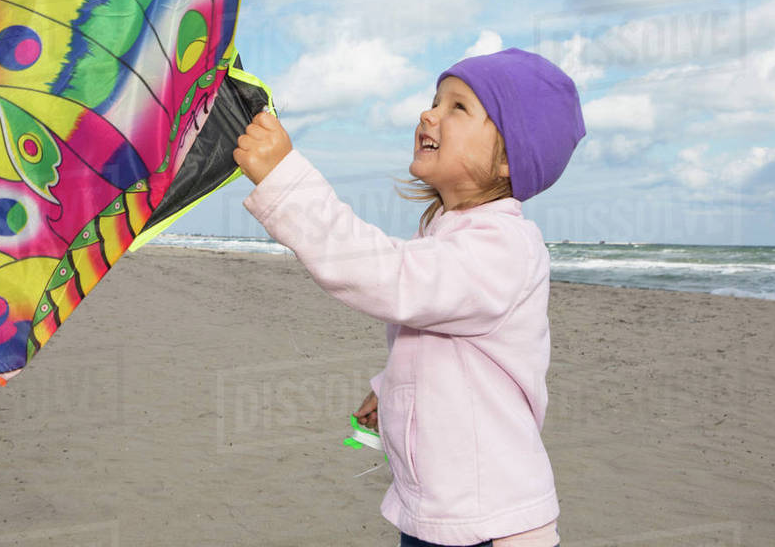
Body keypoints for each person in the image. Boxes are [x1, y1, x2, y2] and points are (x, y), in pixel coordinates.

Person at [233, 47, 585, 547]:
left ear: (509, 157)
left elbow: (391, 278)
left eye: (458, 107)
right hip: (434, 514)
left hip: (496, 526)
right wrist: (391, 386)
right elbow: (441, 342)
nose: (429, 114)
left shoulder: (503, 247)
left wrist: (285, 183)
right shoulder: (446, 235)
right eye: (434, 101)